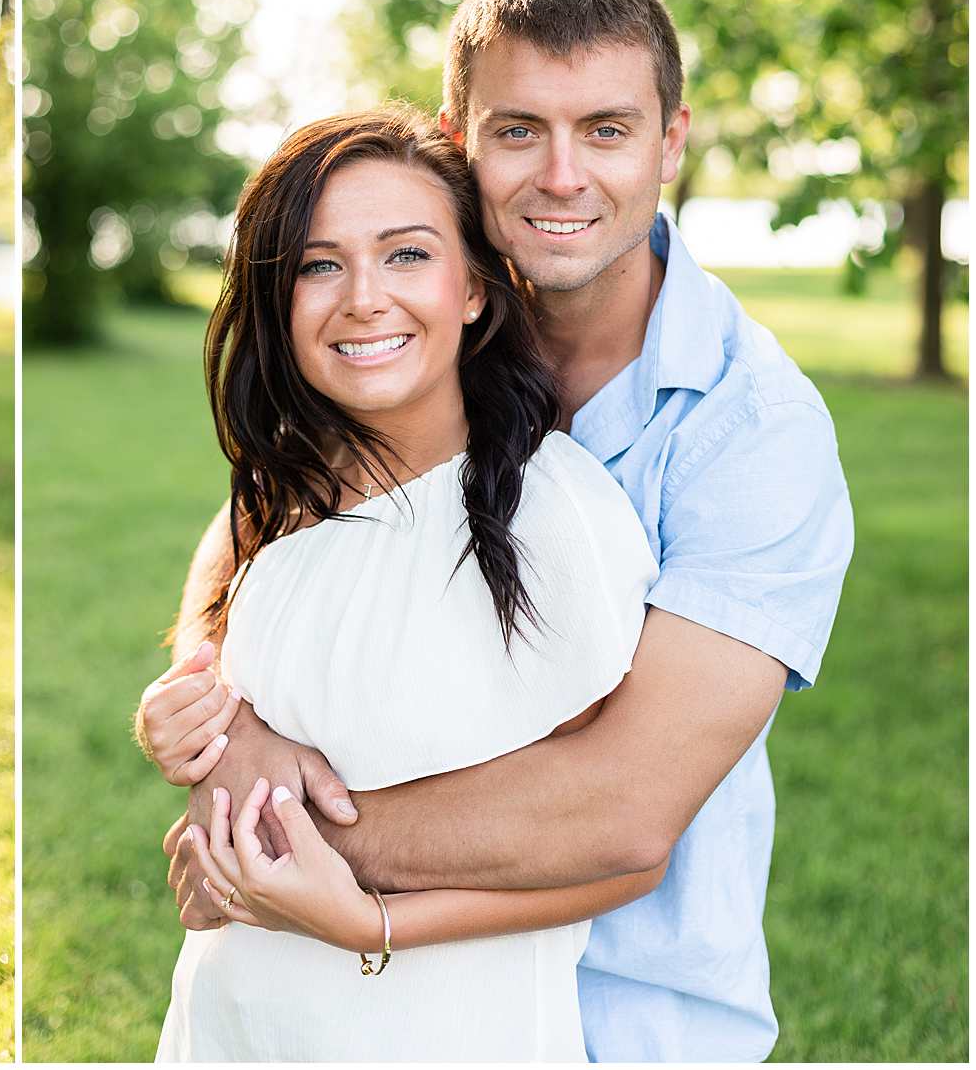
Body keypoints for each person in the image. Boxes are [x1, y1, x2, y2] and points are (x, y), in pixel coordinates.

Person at [159, 0, 852, 1061]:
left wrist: (267, 841)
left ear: (671, 141)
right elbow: (268, 517)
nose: (561, 176)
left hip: (628, 1013)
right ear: (459, 138)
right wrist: (225, 724)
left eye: (607, 130)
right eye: (519, 130)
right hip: (348, 1008)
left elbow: (622, 808)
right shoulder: (424, 317)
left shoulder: (752, 432)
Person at [142, 107, 672, 1060]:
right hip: (230, 1028)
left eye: (407, 255)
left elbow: (619, 853)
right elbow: (236, 643)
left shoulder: (553, 518)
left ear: (474, 287)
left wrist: (369, 923)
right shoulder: (282, 492)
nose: (363, 299)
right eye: (319, 265)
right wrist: (209, 724)